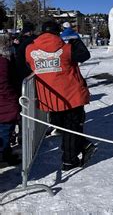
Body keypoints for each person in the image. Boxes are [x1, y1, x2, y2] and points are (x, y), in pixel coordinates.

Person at [25, 21, 96, 171]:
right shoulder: (66, 48)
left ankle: (80, 147)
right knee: (72, 126)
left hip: (49, 97)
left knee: (64, 126)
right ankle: (70, 160)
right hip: (71, 95)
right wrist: (75, 38)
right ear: (58, 32)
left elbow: (26, 65)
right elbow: (85, 55)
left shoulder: (30, 49)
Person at [0, 35, 21, 166]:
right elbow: (3, 85)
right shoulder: (3, 62)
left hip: (5, 103)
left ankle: (5, 153)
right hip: (5, 104)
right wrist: (14, 100)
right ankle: (3, 156)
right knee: (5, 131)